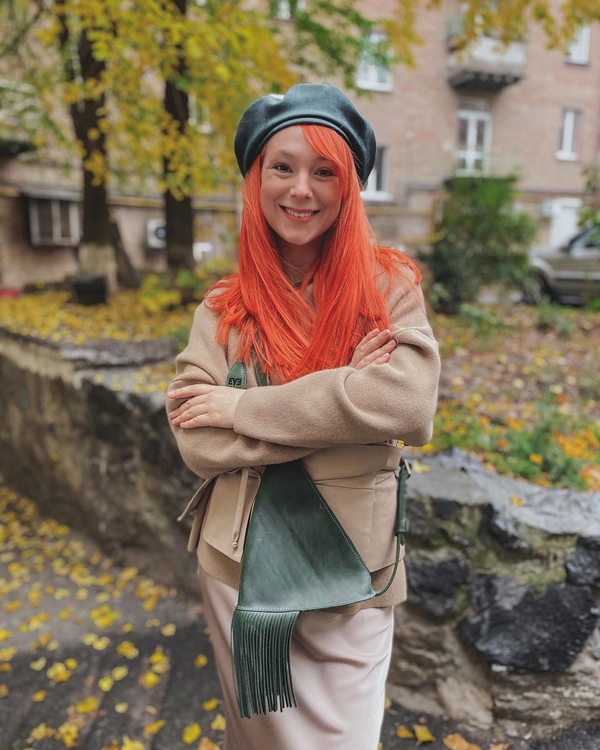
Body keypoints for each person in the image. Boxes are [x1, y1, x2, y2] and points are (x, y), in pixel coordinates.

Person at [166, 82, 440, 750]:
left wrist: (244, 407)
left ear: (349, 187)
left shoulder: (388, 288)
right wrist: (346, 402)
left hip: (355, 573)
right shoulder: (223, 308)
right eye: (282, 167)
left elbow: (408, 405)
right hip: (240, 571)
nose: (300, 189)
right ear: (256, 179)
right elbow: (197, 441)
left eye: (324, 172)